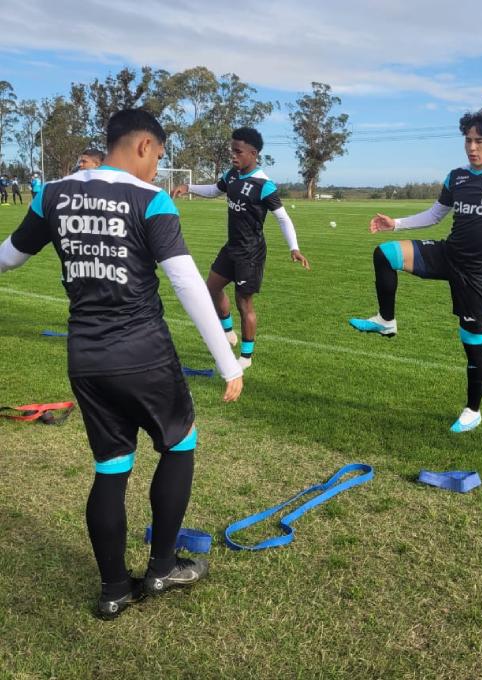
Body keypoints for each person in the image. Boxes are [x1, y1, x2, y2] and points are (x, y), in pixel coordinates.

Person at [0, 108, 243, 619]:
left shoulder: (52, 194)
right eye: (158, 156)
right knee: (179, 443)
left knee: (111, 467)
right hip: (143, 352)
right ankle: (162, 568)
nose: (157, 167)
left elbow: (9, 257)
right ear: (143, 146)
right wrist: (229, 362)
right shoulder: (149, 199)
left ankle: (113, 589)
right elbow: (185, 282)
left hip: (86, 357)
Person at [348, 105, 482, 433]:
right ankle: (386, 321)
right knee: (385, 253)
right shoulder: (456, 176)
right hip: (447, 254)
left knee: (472, 344)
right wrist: (395, 223)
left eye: (479, 141)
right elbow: (435, 215)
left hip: (476, 275)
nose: (472, 147)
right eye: (468, 140)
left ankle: (473, 410)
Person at [172, 127, 310, 369]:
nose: (233, 156)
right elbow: (214, 190)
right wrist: (188, 187)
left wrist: (294, 248)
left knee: (243, 303)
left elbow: (283, 218)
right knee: (212, 288)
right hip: (232, 247)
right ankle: (227, 332)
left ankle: (246, 358)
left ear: (253, 154)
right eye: (232, 151)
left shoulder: (264, 184)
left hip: (251, 253)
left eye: (238, 152)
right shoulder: (232, 175)